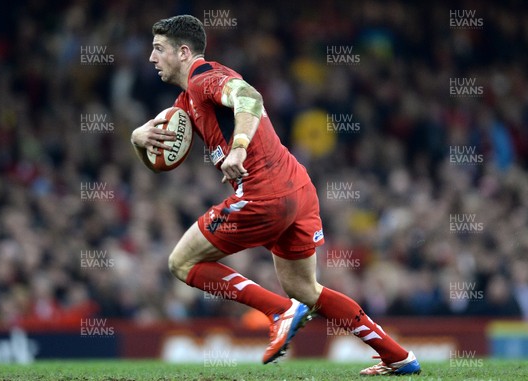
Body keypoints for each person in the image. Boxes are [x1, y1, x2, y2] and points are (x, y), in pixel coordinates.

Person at [130, 15, 421, 376]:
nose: (151, 58)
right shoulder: (185, 102)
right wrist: (138, 141)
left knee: (181, 263)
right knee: (304, 288)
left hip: (262, 194)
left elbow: (250, 97)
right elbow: (162, 162)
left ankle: (276, 310)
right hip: (297, 190)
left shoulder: (206, 80)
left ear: (183, 51)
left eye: (158, 49)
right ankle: (398, 355)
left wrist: (237, 148)